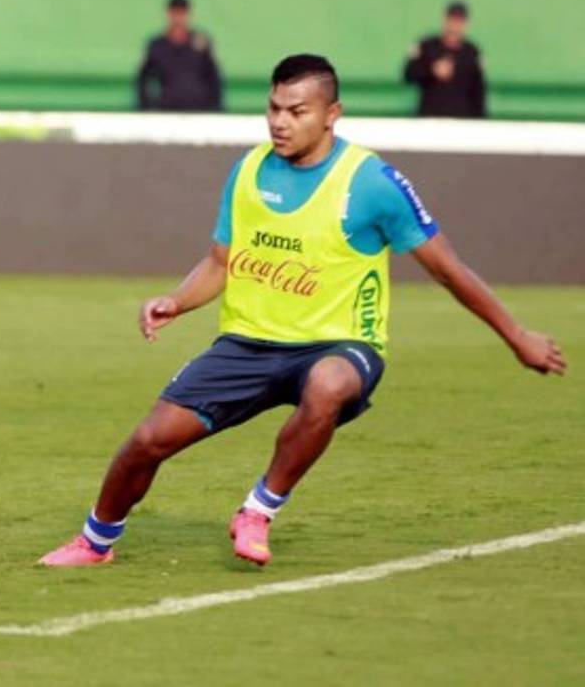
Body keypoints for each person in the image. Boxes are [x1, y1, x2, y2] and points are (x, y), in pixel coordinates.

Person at [40, 54, 565, 569]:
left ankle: (258, 510)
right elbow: (221, 262)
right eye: (273, 108)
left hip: (338, 345)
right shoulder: (249, 170)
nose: (279, 122)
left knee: (329, 386)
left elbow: (449, 270)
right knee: (147, 442)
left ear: (332, 114)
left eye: (296, 111)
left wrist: (517, 336)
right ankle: (95, 542)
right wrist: (177, 301)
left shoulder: (372, 182)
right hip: (247, 345)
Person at [135, 0, 222, 112]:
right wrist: (147, 108)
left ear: (188, 14)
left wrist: (215, 109)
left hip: (199, 112)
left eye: (182, 13)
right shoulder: (157, 46)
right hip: (167, 112)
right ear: (168, 13)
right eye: (175, 13)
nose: (178, 18)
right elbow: (142, 79)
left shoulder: (202, 43)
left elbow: (214, 79)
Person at [403, 0, 486, 118]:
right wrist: (432, 71)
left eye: (459, 20)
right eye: (452, 19)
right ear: (444, 19)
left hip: (461, 121)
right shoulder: (427, 46)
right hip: (430, 119)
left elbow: (478, 93)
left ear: (466, 23)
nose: (455, 24)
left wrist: (481, 123)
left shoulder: (472, 53)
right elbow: (408, 75)